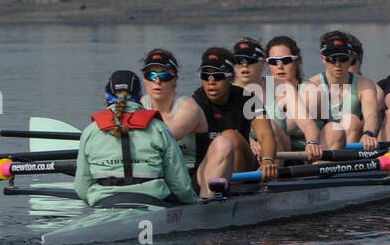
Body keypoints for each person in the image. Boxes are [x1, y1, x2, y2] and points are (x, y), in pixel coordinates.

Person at [73, 70, 197, 208]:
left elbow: (81, 188)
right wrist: (192, 203)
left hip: (105, 204)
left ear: (106, 96)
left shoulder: (91, 131)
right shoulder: (158, 128)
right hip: (153, 202)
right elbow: (180, 184)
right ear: (139, 95)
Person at [192, 47, 278, 197]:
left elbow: (265, 134)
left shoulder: (247, 100)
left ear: (231, 78)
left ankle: (233, 194)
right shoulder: (195, 103)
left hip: (242, 168)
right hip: (205, 169)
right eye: (206, 76)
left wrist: (267, 160)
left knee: (230, 136)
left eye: (218, 76)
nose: (211, 81)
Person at [296, 31, 381, 151]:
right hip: (320, 145)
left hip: (350, 143)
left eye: (343, 58)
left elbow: (371, 115)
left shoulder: (364, 84)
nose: (337, 64)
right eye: (331, 59)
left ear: (351, 58)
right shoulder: (313, 85)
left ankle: (345, 164)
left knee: (351, 120)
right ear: (323, 59)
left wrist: (368, 134)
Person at [138, 48, 208, 182]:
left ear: (175, 79)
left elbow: (162, 140)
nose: (157, 81)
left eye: (164, 76)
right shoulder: (139, 105)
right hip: (155, 174)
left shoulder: (189, 108)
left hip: (191, 174)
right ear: (144, 79)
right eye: (151, 75)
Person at [265, 35, 323, 161]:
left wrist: (258, 132)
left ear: (298, 61)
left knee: (271, 129)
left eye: (286, 60)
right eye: (273, 61)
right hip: (276, 149)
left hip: (307, 154)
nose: (279, 66)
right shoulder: (262, 89)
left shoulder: (310, 90)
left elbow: (289, 126)